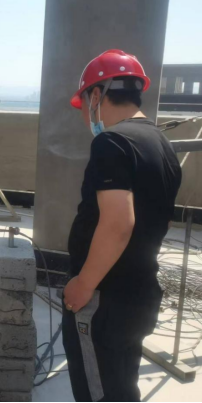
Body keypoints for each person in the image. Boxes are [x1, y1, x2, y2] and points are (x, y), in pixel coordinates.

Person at [63, 49, 182, 402]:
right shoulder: (160, 144)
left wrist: (84, 284)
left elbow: (118, 224)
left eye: (85, 105)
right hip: (139, 291)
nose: (86, 115)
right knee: (121, 388)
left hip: (104, 299)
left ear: (96, 95)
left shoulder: (112, 142)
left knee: (100, 394)